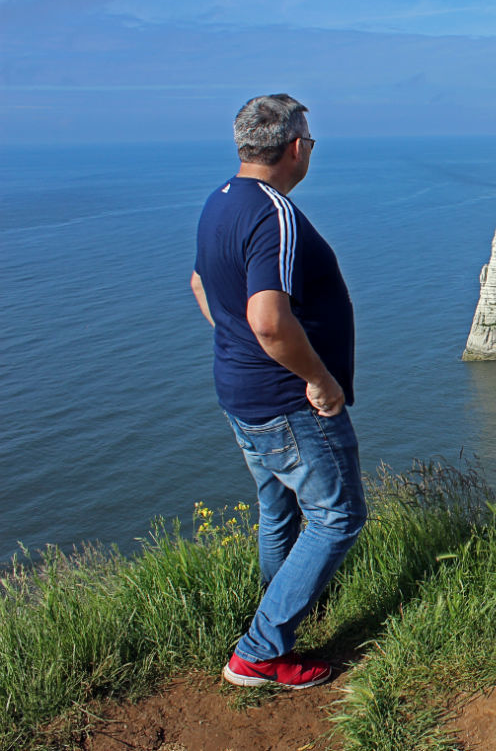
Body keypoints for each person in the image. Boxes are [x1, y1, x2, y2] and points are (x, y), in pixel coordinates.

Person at [191, 94, 366, 689]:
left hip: (243, 396)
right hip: (292, 403)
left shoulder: (220, 202)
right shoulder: (274, 214)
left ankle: (284, 602)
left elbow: (201, 285)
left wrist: (239, 344)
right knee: (339, 516)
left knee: (278, 510)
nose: (309, 151)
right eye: (311, 143)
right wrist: (319, 379)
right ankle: (260, 651)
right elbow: (268, 320)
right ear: (295, 148)